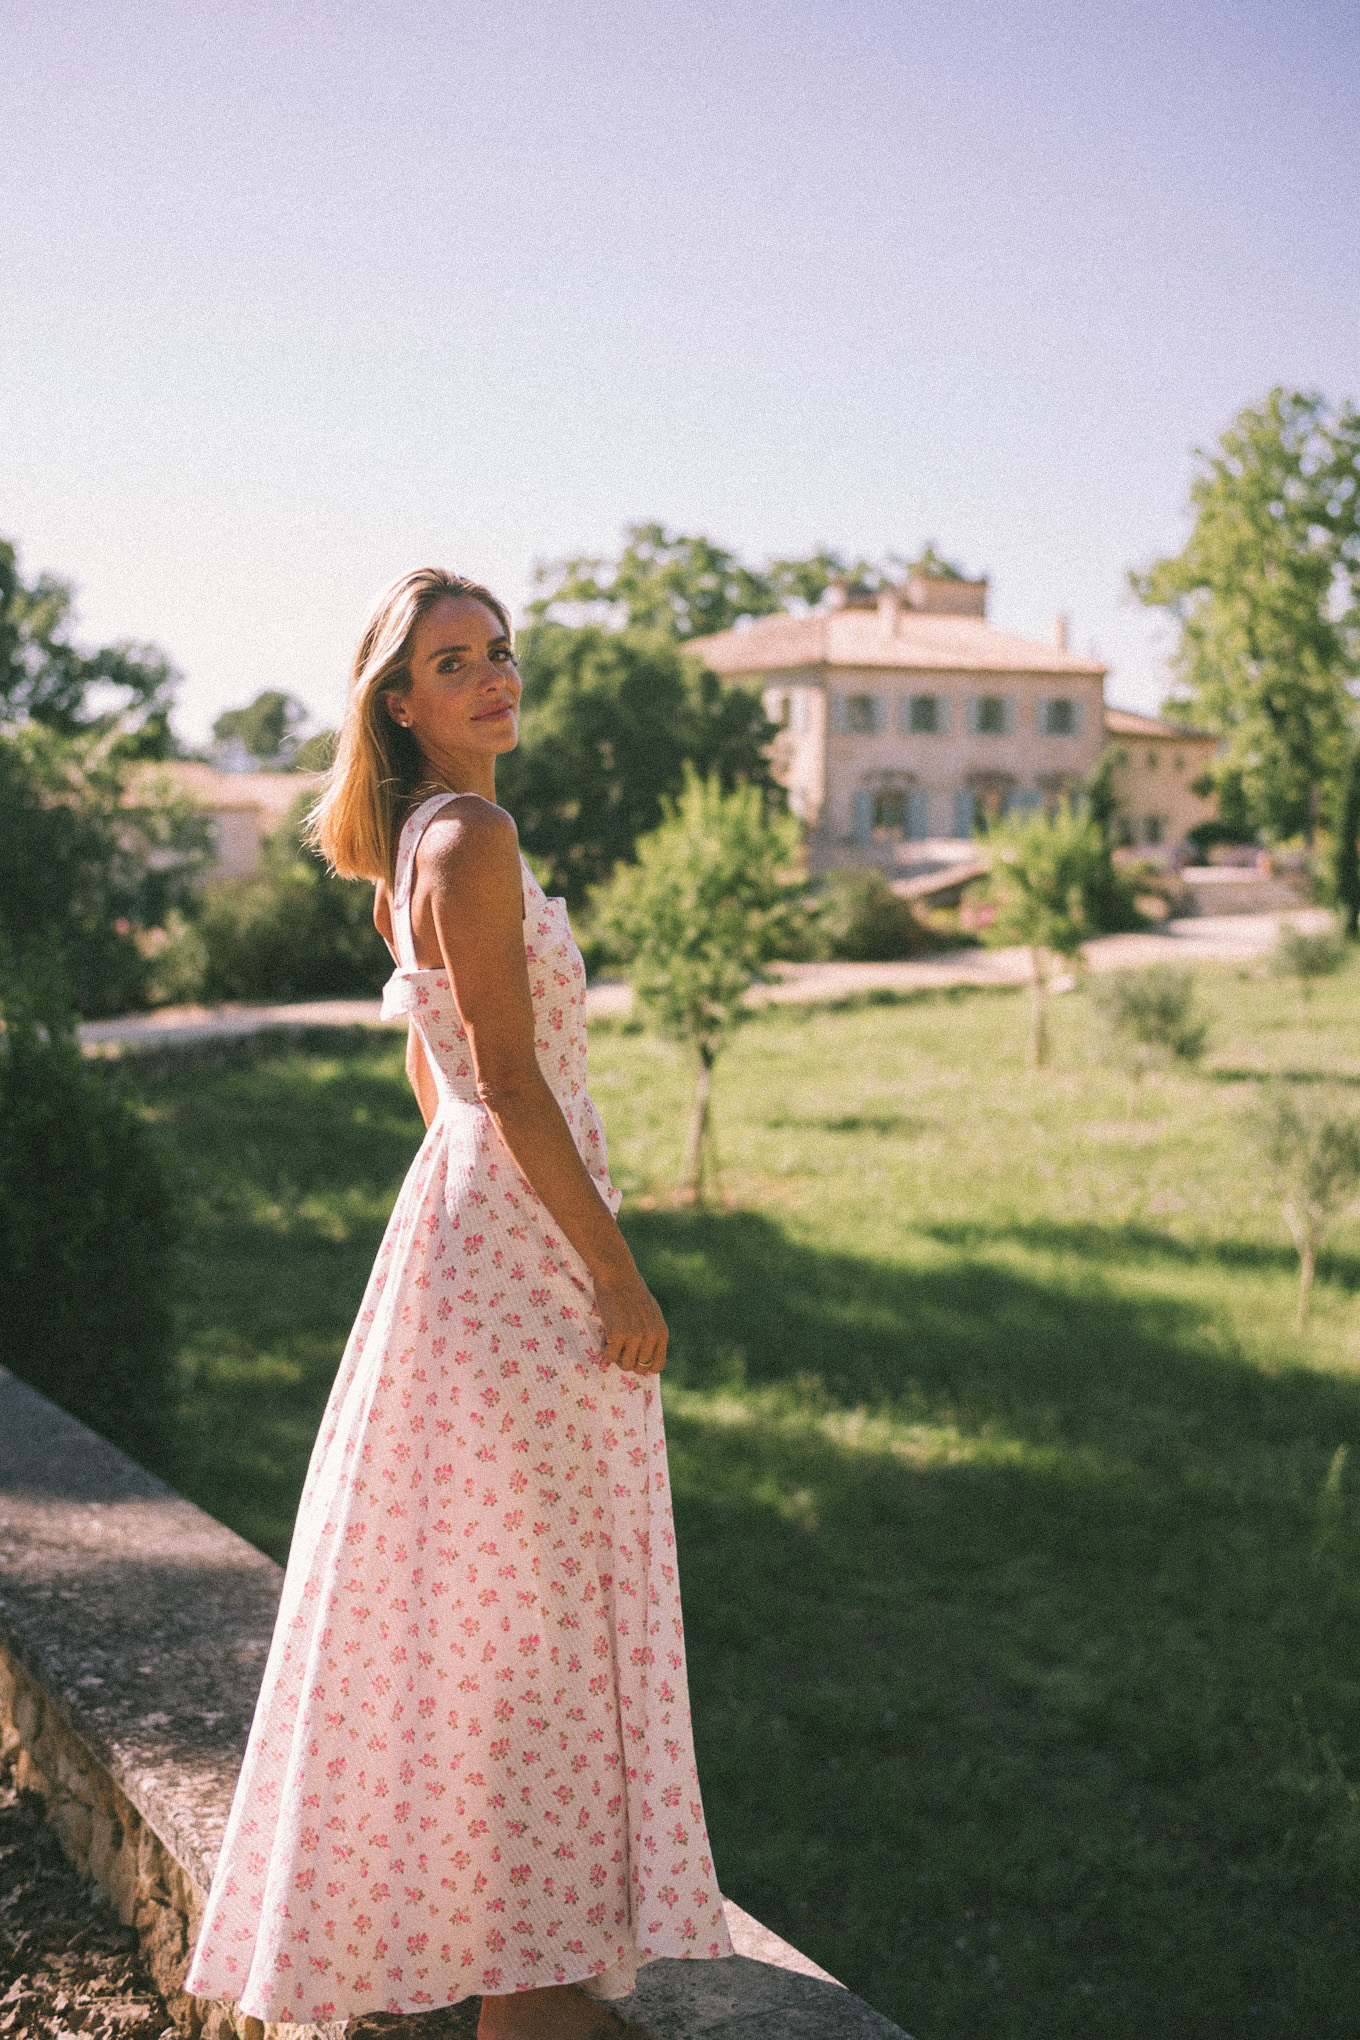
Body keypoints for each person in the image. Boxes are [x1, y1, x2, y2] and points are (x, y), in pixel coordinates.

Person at [186, 570, 731, 2036]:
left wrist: (478, 1202)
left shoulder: (413, 850)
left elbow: (436, 1083)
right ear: (402, 701)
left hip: (464, 1237)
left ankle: (521, 1970)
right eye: (454, 661)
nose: (494, 676)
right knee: (539, 1628)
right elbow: (498, 1074)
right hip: (527, 1263)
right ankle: (534, 1988)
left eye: (500, 651)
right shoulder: (471, 835)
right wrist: (611, 1265)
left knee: (488, 1617)